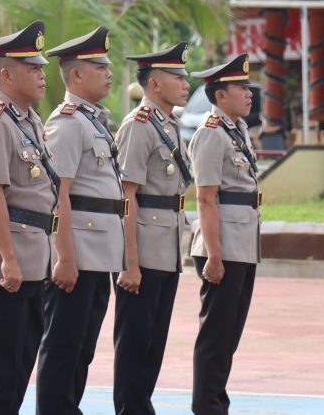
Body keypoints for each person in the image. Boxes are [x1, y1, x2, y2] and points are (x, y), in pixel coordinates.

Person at [37, 26, 126, 414]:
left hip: (100, 251)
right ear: (76, 75)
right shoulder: (68, 123)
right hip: (78, 252)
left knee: (82, 347)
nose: (109, 73)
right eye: (99, 66)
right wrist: (65, 256)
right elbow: (59, 194)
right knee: (63, 346)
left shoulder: (93, 121)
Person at [0, 21, 58, 415]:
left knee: (23, 362)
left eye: (41, 67)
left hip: (35, 255)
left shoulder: (30, 120)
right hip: (10, 262)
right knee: (3, 367)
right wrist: (7, 257)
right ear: (6, 74)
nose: (42, 75)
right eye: (33, 69)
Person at [113, 42, 192, 414]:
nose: (185, 83)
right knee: (134, 343)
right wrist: (129, 263)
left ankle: (141, 406)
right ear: (155, 83)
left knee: (153, 343)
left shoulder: (170, 125)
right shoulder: (139, 126)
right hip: (143, 250)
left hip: (167, 247)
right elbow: (127, 197)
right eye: (177, 77)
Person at [188, 53, 261, 415]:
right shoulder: (210, 135)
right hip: (223, 248)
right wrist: (214, 255)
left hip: (242, 245)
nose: (249, 94)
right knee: (216, 336)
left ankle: (216, 401)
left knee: (229, 334)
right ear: (220, 95)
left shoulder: (237, 130)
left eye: (248, 87)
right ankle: (207, 406)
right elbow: (205, 198)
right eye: (240, 87)